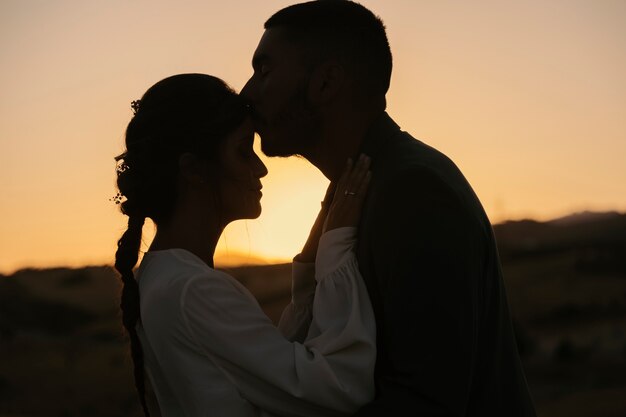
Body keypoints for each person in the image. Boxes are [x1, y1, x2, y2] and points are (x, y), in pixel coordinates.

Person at [240, 1, 537, 416]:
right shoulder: (356, 189)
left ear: (326, 82)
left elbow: (425, 400)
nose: (247, 92)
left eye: (264, 70)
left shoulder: (415, 190)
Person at [113, 73, 376, 417]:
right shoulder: (193, 288)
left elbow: (266, 367)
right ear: (193, 169)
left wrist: (312, 263)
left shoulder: (159, 275)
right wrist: (338, 246)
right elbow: (337, 388)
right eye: (243, 151)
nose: (260, 168)